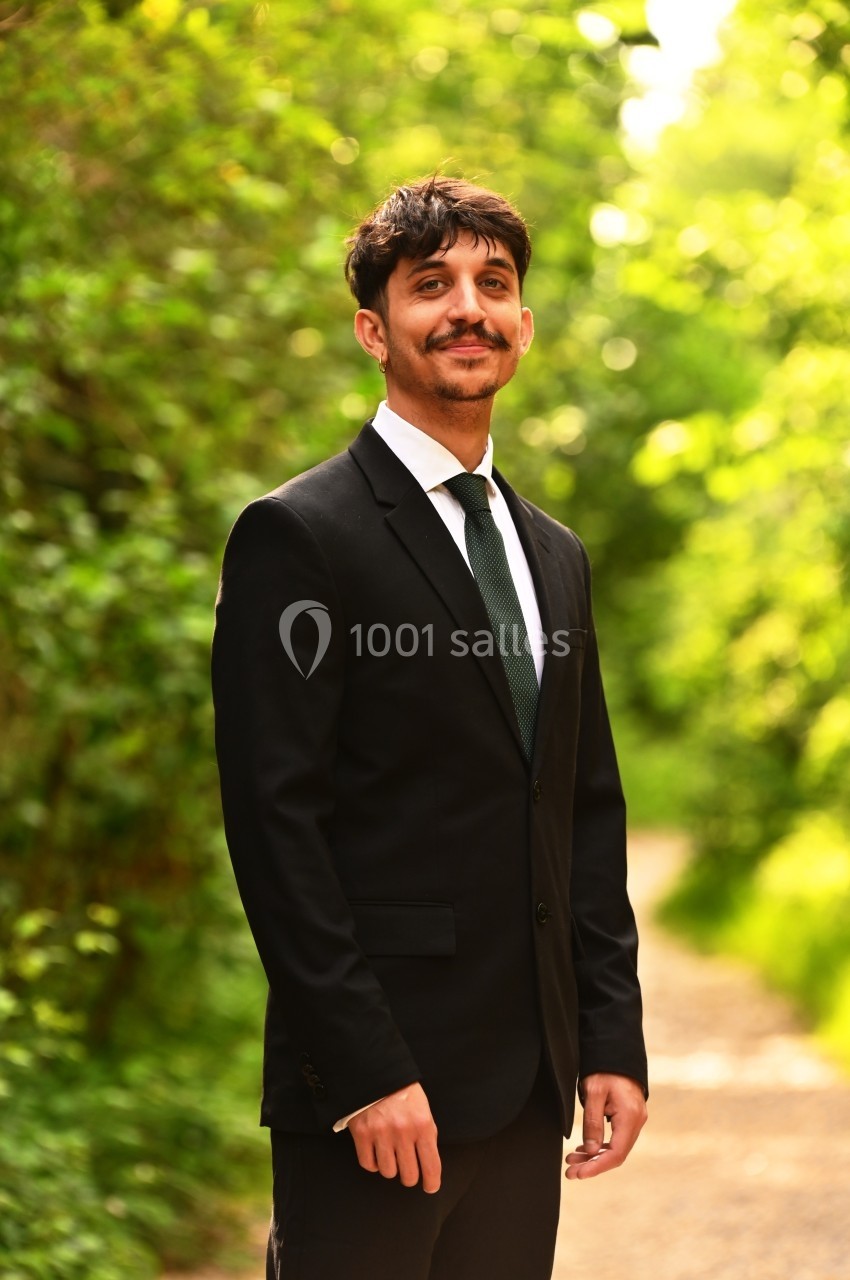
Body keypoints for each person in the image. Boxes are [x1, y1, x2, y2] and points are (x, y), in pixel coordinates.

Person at [211, 175, 648, 1280]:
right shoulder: (296, 534)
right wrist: (360, 1067)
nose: (468, 308)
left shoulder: (555, 555)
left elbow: (582, 806)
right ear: (375, 329)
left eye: (492, 285)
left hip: (528, 1087)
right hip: (376, 1096)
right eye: (431, 285)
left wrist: (609, 1035)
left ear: (523, 325)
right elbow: (274, 824)